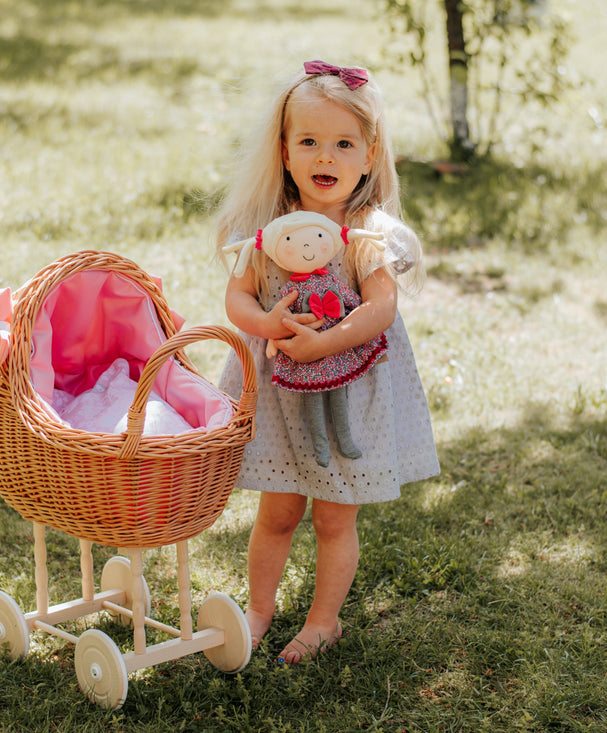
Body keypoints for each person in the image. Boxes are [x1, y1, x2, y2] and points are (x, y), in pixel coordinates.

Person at [216, 60, 440, 664]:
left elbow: (381, 307)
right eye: (309, 141)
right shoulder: (267, 230)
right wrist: (266, 323)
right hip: (282, 392)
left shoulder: (366, 231)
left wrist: (326, 342)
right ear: (285, 152)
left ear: (369, 155)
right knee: (279, 510)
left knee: (334, 518)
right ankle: (259, 609)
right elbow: (237, 297)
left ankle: (322, 622)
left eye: (344, 143)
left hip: (352, 387)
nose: (326, 156)